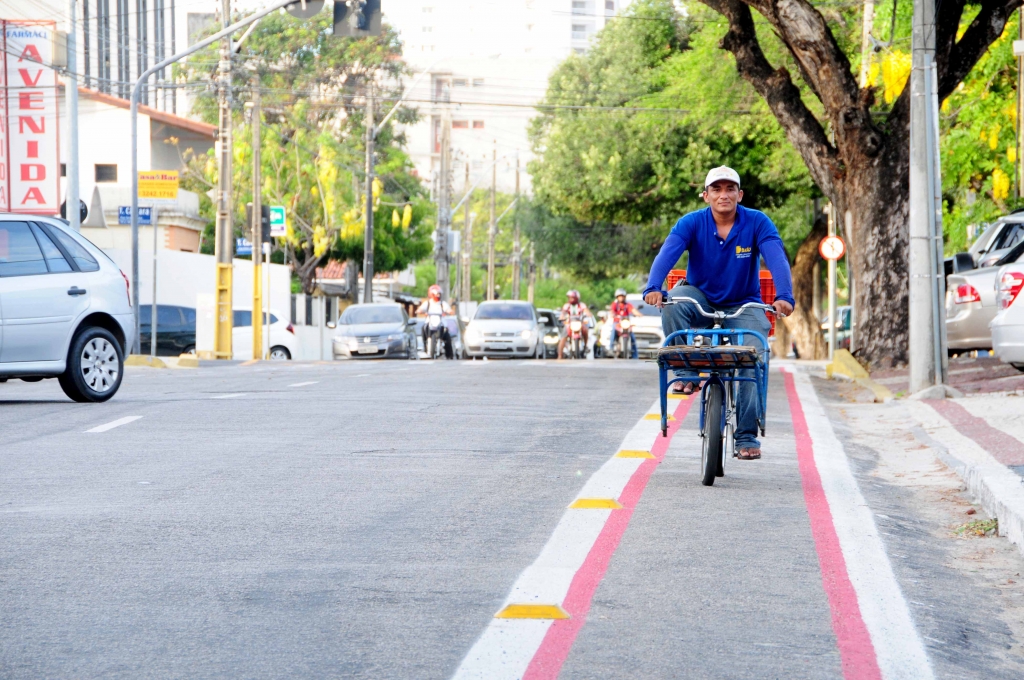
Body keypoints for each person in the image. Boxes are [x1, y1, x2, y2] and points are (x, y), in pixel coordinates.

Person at [643, 166, 794, 461]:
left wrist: (784, 296)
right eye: (716, 189)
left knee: (752, 356)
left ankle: (746, 435)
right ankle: (687, 373)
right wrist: (653, 287)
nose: (723, 195)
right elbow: (668, 253)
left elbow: (776, 257)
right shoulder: (691, 223)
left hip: (743, 302)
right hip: (700, 296)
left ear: (740, 194)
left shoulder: (757, 222)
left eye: (729, 189)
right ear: (706, 195)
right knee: (674, 301)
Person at [416, 284, 454, 359]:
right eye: (437, 294)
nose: (438, 296)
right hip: (429, 322)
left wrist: (450, 311)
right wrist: (420, 311)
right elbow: (420, 309)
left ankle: (449, 355)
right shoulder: (427, 303)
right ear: (431, 294)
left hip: (441, 323)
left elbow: (449, 310)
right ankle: (425, 346)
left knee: (448, 337)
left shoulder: (443, 304)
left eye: (439, 294)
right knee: (423, 328)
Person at [558, 290, 591, 359]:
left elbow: (586, 311)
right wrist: (562, 317)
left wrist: (588, 314)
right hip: (570, 323)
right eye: (570, 298)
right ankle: (560, 355)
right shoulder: (567, 305)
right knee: (563, 336)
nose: (571, 299)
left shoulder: (581, 305)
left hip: (579, 322)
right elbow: (563, 312)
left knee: (585, 330)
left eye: (572, 298)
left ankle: (585, 345)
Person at [610, 288, 639, 359]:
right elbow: (611, 312)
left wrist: (639, 314)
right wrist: (612, 314)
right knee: (613, 331)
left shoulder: (628, 305)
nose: (621, 298)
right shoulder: (614, 304)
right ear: (617, 297)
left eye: (622, 296)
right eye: (619, 296)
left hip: (626, 323)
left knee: (632, 336)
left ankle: (635, 354)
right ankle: (610, 348)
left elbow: (633, 310)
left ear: (625, 297)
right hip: (617, 323)